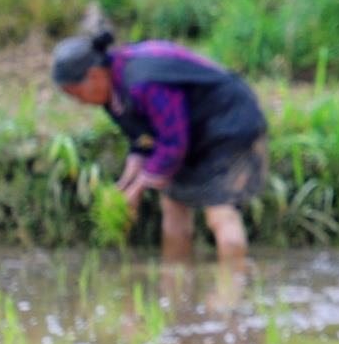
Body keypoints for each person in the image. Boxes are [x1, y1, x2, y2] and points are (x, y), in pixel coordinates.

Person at [52, 30, 269, 262]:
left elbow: (173, 141)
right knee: (173, 207)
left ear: (94, 75)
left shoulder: (143, 83)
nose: (79, 102)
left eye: (75, 94)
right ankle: (173, 287)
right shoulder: (114, 90)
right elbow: (144, 140)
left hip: (231, 124)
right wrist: (125, 185)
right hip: (195, 130)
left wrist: (136, 191)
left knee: (220, 212)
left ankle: (232, 291)